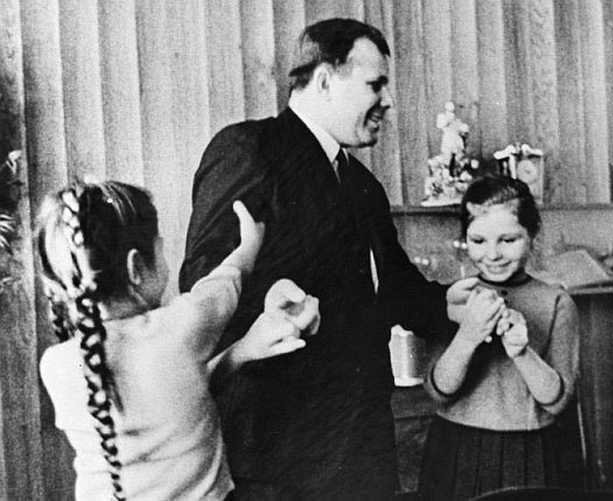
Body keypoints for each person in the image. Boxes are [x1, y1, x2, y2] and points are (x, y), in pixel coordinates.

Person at [179, 17, 470, 501]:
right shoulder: (251, 148)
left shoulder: (363, 185)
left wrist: (451, 304)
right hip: (281, 451)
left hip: (363, 445)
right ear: (324, 79)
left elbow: (395, 290)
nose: (388, 101)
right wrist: (270, 298)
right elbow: (204, 278)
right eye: (375, 84)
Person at [37, 180, 319, 501]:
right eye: (160, 249)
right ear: (135, 268)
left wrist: (241, 351)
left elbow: (173, 399)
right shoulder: (183, 323)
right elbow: (227, 280)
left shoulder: (56, 366)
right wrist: (249, 244)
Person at [419, 176, 581, 500]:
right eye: (478, 240)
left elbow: (557, 400)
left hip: (531, 452)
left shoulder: (557, 302)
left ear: (532, 235)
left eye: (508, 239)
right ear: (465, 239)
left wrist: (521, 352)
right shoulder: (455, 298)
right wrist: (468, 336)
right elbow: (439, 390)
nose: (492, 254)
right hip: (456, 449)